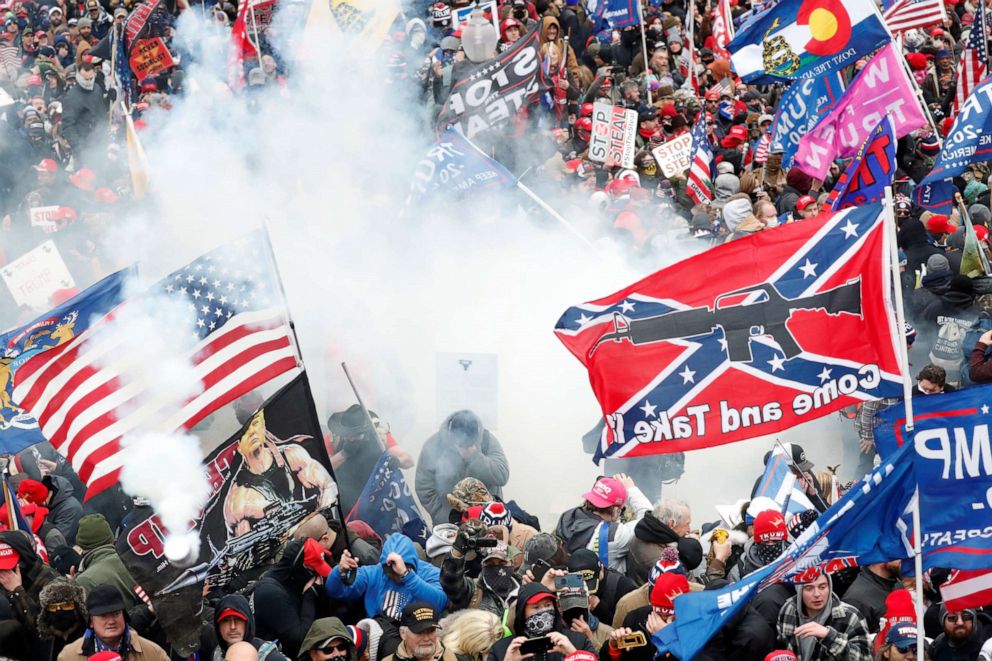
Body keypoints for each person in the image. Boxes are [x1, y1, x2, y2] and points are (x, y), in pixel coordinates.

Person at [319, 533, 448, 621]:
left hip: (418, 632)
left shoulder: (431, 573)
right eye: (390, 572)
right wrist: (339, 572)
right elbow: (335, 592)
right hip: (380, 634)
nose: (395, 576)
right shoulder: (374, 573)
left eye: (400, 569)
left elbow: (440, 603)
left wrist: (407, 575)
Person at [416, 410, 510, 526]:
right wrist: (443, 515)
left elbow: (502, 475)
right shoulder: (434, 445)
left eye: (469, 442)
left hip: (487, 523)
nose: (464, 447)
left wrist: (475, 457)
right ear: (451, 435)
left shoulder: (487, 440)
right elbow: (424, 488)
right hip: (449, 524)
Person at [326, 404, 414, 516]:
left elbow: (409, 461)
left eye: (355, 435)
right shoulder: (333, 439)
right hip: (346, 502)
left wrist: (397, 461)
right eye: (347, 434)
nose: (351, 438)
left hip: (376, 500)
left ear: (366, 431)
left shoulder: (380, 437)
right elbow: (324, 472)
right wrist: (344, 454)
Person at [554, 475, 651, 572]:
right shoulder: (614, 534)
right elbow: (650, 519)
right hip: (606, 585)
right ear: (615, 510)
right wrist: (631, 489)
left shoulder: (567, 517)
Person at [487, 583, 597, 661]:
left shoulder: (579, 641)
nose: (544, 611)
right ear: (522, 613)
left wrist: (574, 655)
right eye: (536, 607)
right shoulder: (501, 649)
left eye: (548, 605)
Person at [775, 572, 871, 660]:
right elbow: (781, 650)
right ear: (799, 591)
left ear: (830, 587)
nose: (817, 594)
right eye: (809, 588)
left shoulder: (851, 616)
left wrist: (830, 637)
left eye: (822, 587)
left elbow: (865, 658)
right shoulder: (788, 610)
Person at [57, 584, 168, 660]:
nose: (111, 621)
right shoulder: (68, 656)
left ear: (124, 615)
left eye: (116, 614)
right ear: (91, 622)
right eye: (103, 616)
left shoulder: (153, 653)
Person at [252, 540, 322, 659]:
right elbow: (300, 640)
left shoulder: (289, 582)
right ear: (298, 566)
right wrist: (310, 596)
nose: (316, 577)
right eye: (313, 571)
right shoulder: (272, 594)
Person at [72, 514, 139, 610]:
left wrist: (73, 584)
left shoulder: (84, 581)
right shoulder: (134, 557)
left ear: (81, 546)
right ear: (112, 539)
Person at [211, 594, 287, 661]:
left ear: (247, 623)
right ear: (218, 626)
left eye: (239, 620)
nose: (232, 626)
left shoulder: (270, 657)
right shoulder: (217, 653)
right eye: (226, 621)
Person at [382, 602, 460, 661]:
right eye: (419, 632)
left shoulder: (456, 659)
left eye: (431, 631)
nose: (426, 638)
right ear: (403, 633)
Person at [842, 561, 901, 634]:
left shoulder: (897, 584)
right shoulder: (856, 599)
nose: (905, 556)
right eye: (898, 551)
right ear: (881, 559)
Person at [38, 577, 88, 660]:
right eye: (53, 607)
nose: (59, 612)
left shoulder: (88, 638)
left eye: (66, 605)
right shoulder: (45, 641)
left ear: (78, 608)